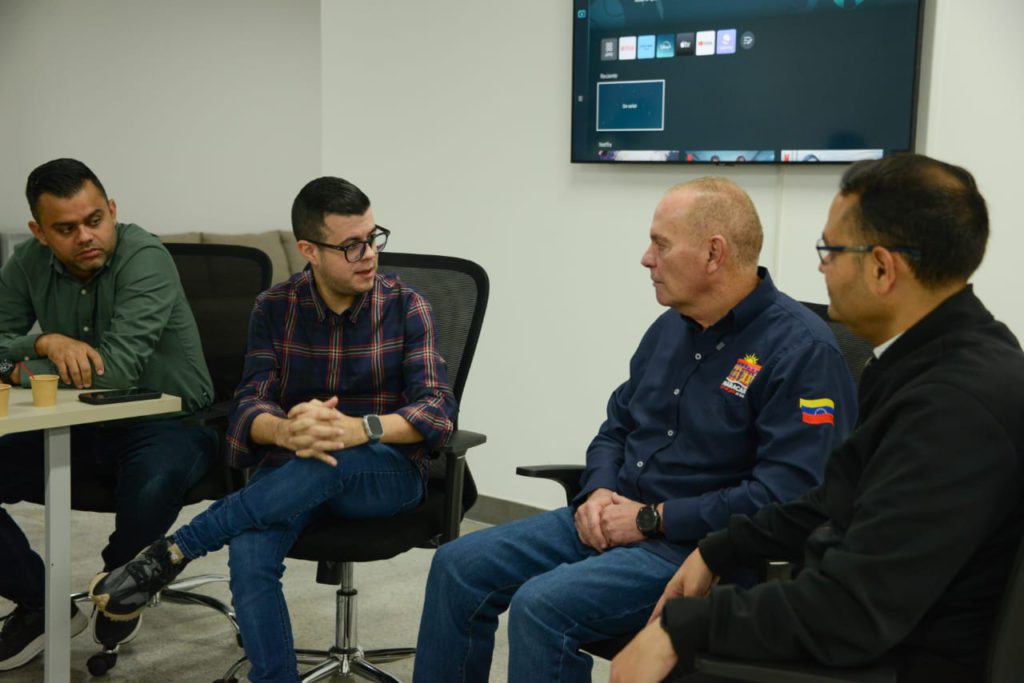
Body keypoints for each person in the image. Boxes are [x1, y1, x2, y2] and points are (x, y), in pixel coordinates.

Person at [413, 177, 858, 683]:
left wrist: (655, 518)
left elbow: (790, 493)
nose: (646, 258)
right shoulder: (670, 326)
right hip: (618, 516)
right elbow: (617, 425)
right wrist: (599, 487)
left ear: (714, 254)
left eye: (661, 244)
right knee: (457, 566)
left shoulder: (801, 351)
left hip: (700, 550)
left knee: (544, 607)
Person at [611, 154, 1024, 683]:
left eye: (830, 250)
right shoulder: (930, 357)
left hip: (899, 659)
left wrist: (685, 626)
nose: (820, 267)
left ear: (881, 267)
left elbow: (852, 610)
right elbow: (836, 497)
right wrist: (723, 545)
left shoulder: (954, 406)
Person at [89, 176, 457, 683]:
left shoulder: (406, 306)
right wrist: (286, 432)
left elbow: (436, 410)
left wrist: (359, 429)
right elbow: (248, 406)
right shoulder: (274, 307)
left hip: (383, 472)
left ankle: (177, 549)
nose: (368, 254)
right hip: (292, 470)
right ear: (309, 249)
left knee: (337, 457)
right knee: (250, 550)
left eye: (373, 237)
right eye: (351, 245)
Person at [0, 158, 217, 670]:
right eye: (66, 228)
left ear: (112, 211)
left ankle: (120, 586)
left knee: (151, 480)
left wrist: (16, 366)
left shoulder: (146, 256)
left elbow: (116, 368)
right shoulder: (27, 262)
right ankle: (43, 603)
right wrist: (45, 341)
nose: (86, 236)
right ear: (39, 231)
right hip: (78, 420)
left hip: (170, 419)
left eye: (95, 220)